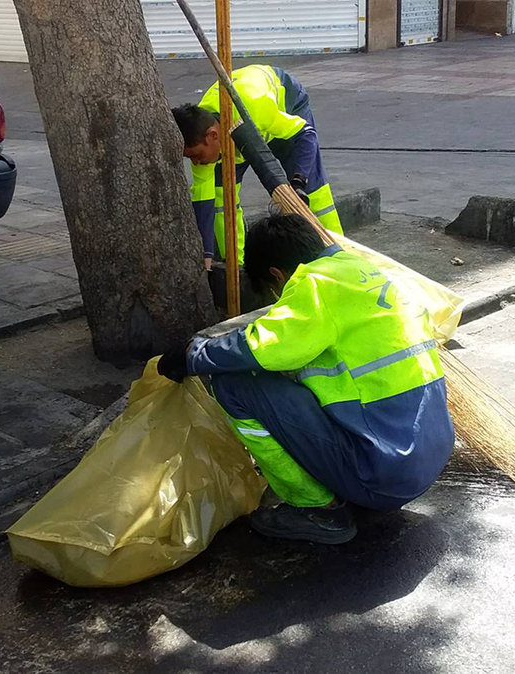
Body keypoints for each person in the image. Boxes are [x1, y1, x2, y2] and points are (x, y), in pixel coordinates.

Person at [157, 214, 455, 544]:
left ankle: (317, 508)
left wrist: (193, 355)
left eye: (276, 291)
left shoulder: (313, 283)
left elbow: (263, 349)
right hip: (425, 458)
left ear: (277, 274)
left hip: (383, 475)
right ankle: (343, 484)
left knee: (235, 386)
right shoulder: (362, 269)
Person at [172, 65, 342, 270]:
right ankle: (238, 265)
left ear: (213, 136)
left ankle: (338, 258)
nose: (196, 163)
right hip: (235, 131)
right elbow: (204, 206)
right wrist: (206, 258)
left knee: (312, 191)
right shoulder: (198, 131)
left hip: (281, 111)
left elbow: (306, 135)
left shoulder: (257, 107)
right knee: (221, 199)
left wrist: (298, 180)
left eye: (196, 156)